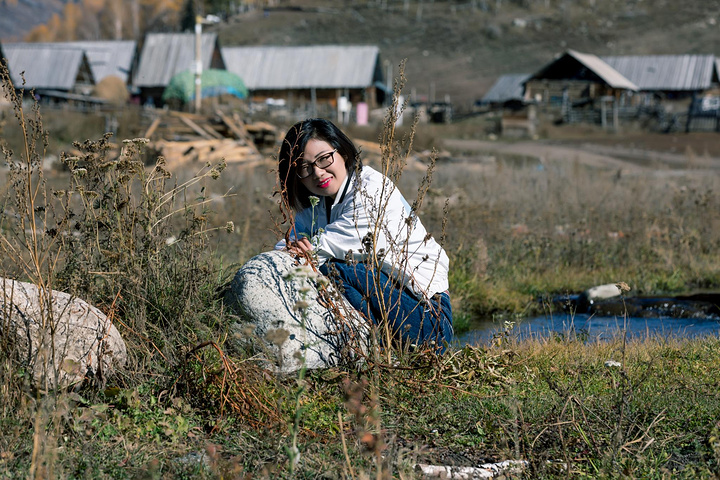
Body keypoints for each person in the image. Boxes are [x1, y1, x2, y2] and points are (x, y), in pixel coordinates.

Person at [275, 118, 452, 352]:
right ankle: (373, 352)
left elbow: (320, 250)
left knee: (332, 269)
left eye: (324, 158)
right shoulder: (317, 206)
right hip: (392, 311)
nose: (317, 173)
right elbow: (283, 249)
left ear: (343, 153)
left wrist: (303, 254)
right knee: (319, 272)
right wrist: (294, 251)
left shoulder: (370, 189)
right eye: (304, 168)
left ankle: (379, 352)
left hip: (428, 320)